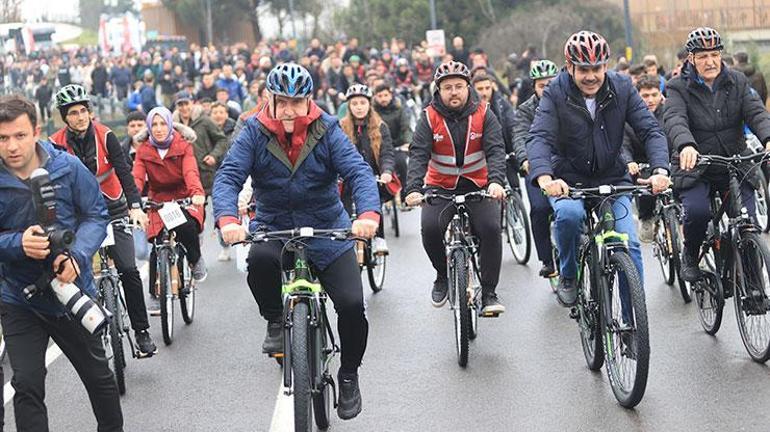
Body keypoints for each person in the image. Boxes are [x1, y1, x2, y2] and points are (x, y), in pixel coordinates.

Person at [213, 63, 380, 421]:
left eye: (296, 102)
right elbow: (228, 176)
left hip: (327, 228)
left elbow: (358, 172)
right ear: (269, 100)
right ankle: (274, 319)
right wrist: (228, 220)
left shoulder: (328, 130)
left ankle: (349, 374)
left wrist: (367, 215)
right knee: (258, 261)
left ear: (309, 101)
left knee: (352, 305)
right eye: (281, 102)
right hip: (274, 225)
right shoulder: (254, 131)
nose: (288, 110)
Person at [0, 94, 123, 432]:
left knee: (99, 379)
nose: (11, 146)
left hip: (70, 292)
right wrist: (17, 243)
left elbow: (96, 216)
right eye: (3, 137)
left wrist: (78, 256)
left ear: (36, 131)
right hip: (18, 297)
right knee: (26, 384)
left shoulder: (66, 166)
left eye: (20, 135)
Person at [528, 31, 670, 307]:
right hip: (568, 180)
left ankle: (632, 325)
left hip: (612, 177)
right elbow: (539, 137)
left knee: (628, 244)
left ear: (605, 66)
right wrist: (545, 177)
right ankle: (569, 274)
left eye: (596, 69)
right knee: (568, 217)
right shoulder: (556, 92)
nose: (591, 76)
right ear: (569, 67)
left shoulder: (622, 87)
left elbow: (651, 130)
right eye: (583, 70)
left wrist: (660, 170)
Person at [49, 84, 157, 356]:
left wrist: (135, 206)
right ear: (65, 117)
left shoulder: (106, 135)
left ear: (90, 112)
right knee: (79, 272)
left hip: (114, 208)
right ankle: (91, 329)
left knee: (129, 270)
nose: (80, 117)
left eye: (84, 110)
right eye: (73, 113)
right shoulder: (55, 143)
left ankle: (142, 332)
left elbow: (123, 171)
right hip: (80, 216)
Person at [664, 27, 770, 282]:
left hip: (734, 162)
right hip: (696, 165)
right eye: (702, 56)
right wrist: (686, 145)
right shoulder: (677, 87)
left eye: (714, 54)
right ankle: (690, 255)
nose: (710, 61)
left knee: (747, 220)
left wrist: (768, 138)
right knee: (698, 213)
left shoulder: (737, 80)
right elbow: (674, 119)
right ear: (691, 59)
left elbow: (756, 112)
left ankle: (754, 285)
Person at [404, 61, 507, 314]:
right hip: (441, 187)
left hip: (478, 184)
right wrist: (413, 189)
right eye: (447, 87)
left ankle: (490, 293)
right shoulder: (429, 117)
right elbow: (418, 154)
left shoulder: (484, 112)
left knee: (491, 229)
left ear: (468, 87)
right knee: (430, 228)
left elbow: (495, 150)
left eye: (459, 86)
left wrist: (495, 182)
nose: (454, 92)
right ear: (438, 90)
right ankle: (442, 275)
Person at [132, 106, 208, 286]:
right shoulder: (143, 150)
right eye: (155, 125)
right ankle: (153, 291)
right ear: (149, 127)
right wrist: (133, 202)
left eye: (163, 124)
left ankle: (195, 260)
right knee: (156, 245)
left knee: (187, 228)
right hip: (158, 199)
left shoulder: (183, 146)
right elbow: (137, 177)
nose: (159, 129)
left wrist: (196, 192)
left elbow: (190, 172)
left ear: (170, 125)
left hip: (183, 195)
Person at [511, 60, 559, 279]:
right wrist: (524, 159)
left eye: (551, 83)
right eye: (542, 85)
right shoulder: (525, 110)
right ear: (534, 87)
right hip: (538, 166)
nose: (547, 89)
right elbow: (520, 136)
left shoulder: (567, 102)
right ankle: (547, 259)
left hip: (564, 164)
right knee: (539, 209)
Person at [340, 84, 396, 254]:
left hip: (373, 175)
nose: (359, 107)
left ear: (369, 105)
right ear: (349, 106)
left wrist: (386, 172)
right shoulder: (341, 127)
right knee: (344, 206)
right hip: (348, 176)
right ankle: (346, 242)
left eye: (362, 103)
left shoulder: (380, 126)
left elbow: (387, 153)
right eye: (355, 103)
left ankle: (380, 238)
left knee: (373, 198)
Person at [622, 74, 670, 243]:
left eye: (654, 95)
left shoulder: (670, 113)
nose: (650, 100)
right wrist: (629, 161)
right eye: (645, 96)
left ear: (661, 95)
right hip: (641, 163)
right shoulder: (630, 118)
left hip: (665, 160)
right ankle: (646, 217)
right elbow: (624, 143)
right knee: (645, 189)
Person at [372, 83, 412, 203]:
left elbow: (406, 128)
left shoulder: (399, 109)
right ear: (375, 97)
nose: (383, 98)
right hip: (379, 147)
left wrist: (408, 142)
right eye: (380, 96)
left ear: (391, 96)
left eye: (385, 95)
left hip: (397, 145)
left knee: (401, 164)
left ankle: (405, 194)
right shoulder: (372, 112)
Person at [472, 74, 515, 184]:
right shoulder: (469, 109)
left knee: (515, 188)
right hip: (479, 159)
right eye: (480, 89)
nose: (484, 93)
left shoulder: (501, 103)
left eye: (487, 88)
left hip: (504, 153)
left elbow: (512, 126)